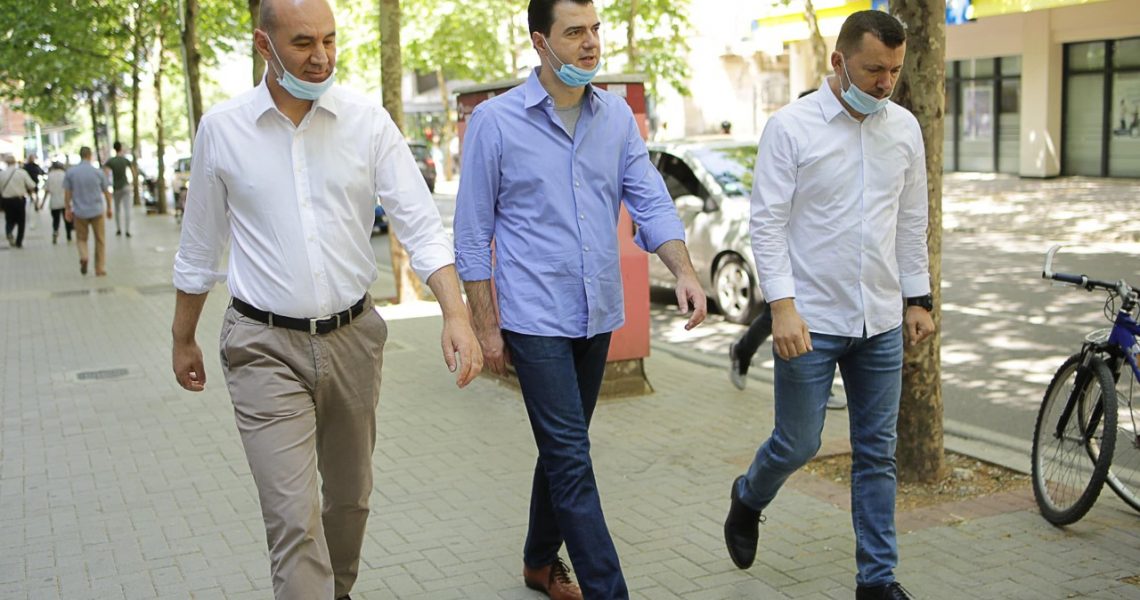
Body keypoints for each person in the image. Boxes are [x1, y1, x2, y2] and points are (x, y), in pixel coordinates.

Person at [169, 1, 482, 599]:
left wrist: (455, 314)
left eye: (330, 40)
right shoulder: (223, 129)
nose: (321, 57)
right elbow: (200, 247)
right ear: (264, 45)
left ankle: (336, 590)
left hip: (353, 339)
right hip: (262, 345)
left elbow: (421, 225)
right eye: (303, 43)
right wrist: (183, 337)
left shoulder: (367, 122)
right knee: (294, 518)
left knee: (349, 499)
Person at [454, 2, 707, 598]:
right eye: (574, 33)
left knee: (563, 449)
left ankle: (539, 561)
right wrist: (486, 328)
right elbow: (471, 235)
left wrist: (685, 271)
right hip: (533, 318)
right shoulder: (496, 122)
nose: (591, 43)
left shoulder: (614, 117)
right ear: (540, 42)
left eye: (595, 30)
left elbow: (650, 200)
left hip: (596, 313)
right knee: (571, 459)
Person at [722, 11, 935, 600]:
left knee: (877, 454)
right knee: (799, 443)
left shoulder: (904, 129)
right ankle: (749, 496)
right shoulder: (791, 128)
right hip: (810, 320)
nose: (885, 83)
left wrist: (918, 298)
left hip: (881, 320)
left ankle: (877, 580)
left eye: (894, 71)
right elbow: (767, 225)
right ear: (838, 62)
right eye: (873, 70)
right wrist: (782, 307)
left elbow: (911, 219)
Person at [727, 87, 847, 409]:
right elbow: (770, 218)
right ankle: (742, 351)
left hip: (820, 267)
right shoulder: (787, 139)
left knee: (822, 319)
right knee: (779, 317)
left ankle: (817, 382)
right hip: (791, 265)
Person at [63, 147, 113, 275]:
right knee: (100, 240)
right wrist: (109, 207)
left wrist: (67, 208)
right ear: (90, 156)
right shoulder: (98, 172)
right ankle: (99, 268)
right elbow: (106, 192)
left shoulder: (71, 172)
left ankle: (84, 256)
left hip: (80, 212)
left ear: (80, 155)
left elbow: (67, 192)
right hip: (97, 211)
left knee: (81, 238)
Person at [1, 154, 36, 248]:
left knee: (9, 218)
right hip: (19, 200)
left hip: (6, 200)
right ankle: (19, 242)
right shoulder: (21, 172)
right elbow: (32, 185)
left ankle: (9, 232)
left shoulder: (1, 174)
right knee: (21, 221)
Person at [103, 141, 136, 237]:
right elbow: (133, 172)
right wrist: (133, 183)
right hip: (125, 186)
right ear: (121, 148)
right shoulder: (125, 160)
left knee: (117, 209)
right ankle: (127, 230)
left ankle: (118, 229)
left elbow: (105, 173)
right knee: (127, 209)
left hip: (116, 187)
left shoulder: (111, 161)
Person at [44, 161, 72, 244]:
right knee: (67, 219)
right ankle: (68, 235)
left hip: (54, 201)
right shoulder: (65, 174)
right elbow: (70, 189)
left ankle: (55, 231)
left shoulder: (50, 175)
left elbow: (46, 190)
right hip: (65, 201)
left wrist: (42, 203)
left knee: (56, 220)